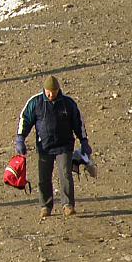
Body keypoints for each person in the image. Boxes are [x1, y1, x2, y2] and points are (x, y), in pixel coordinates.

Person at [15, 76, 92, 218]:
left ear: (58, 90)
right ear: (44, 90)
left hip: (64, 146)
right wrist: (20, 138)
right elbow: (25, 119)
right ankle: (45, 206)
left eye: (54, 92)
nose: (51, 95)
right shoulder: (36, 102)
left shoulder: (68, 103)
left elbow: (78, 122)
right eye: (48, 92)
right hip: (44, 147)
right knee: (44, 178)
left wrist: (84, 140)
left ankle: (68, 205)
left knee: (66, 175)